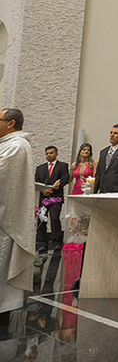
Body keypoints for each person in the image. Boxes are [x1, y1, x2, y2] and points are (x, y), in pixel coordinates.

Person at [0, 109, 36, 329]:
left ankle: (3, 312)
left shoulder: (17, 146)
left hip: (6, 223)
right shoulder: (7, 144)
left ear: (11, 123)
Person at [34, 146, 69, 256]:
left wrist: (52, 189)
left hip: (56, 198)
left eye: (51, 153)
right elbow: (36, 181)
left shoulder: (62, 166)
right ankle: (42, 242)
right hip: (43, 197)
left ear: (56, 153)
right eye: (47, 153)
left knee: (54, 219)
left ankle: (57, 242)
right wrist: (44, 191)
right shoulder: (40, 168)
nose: (49, 155)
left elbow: (64, 179)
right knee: (41, 220)